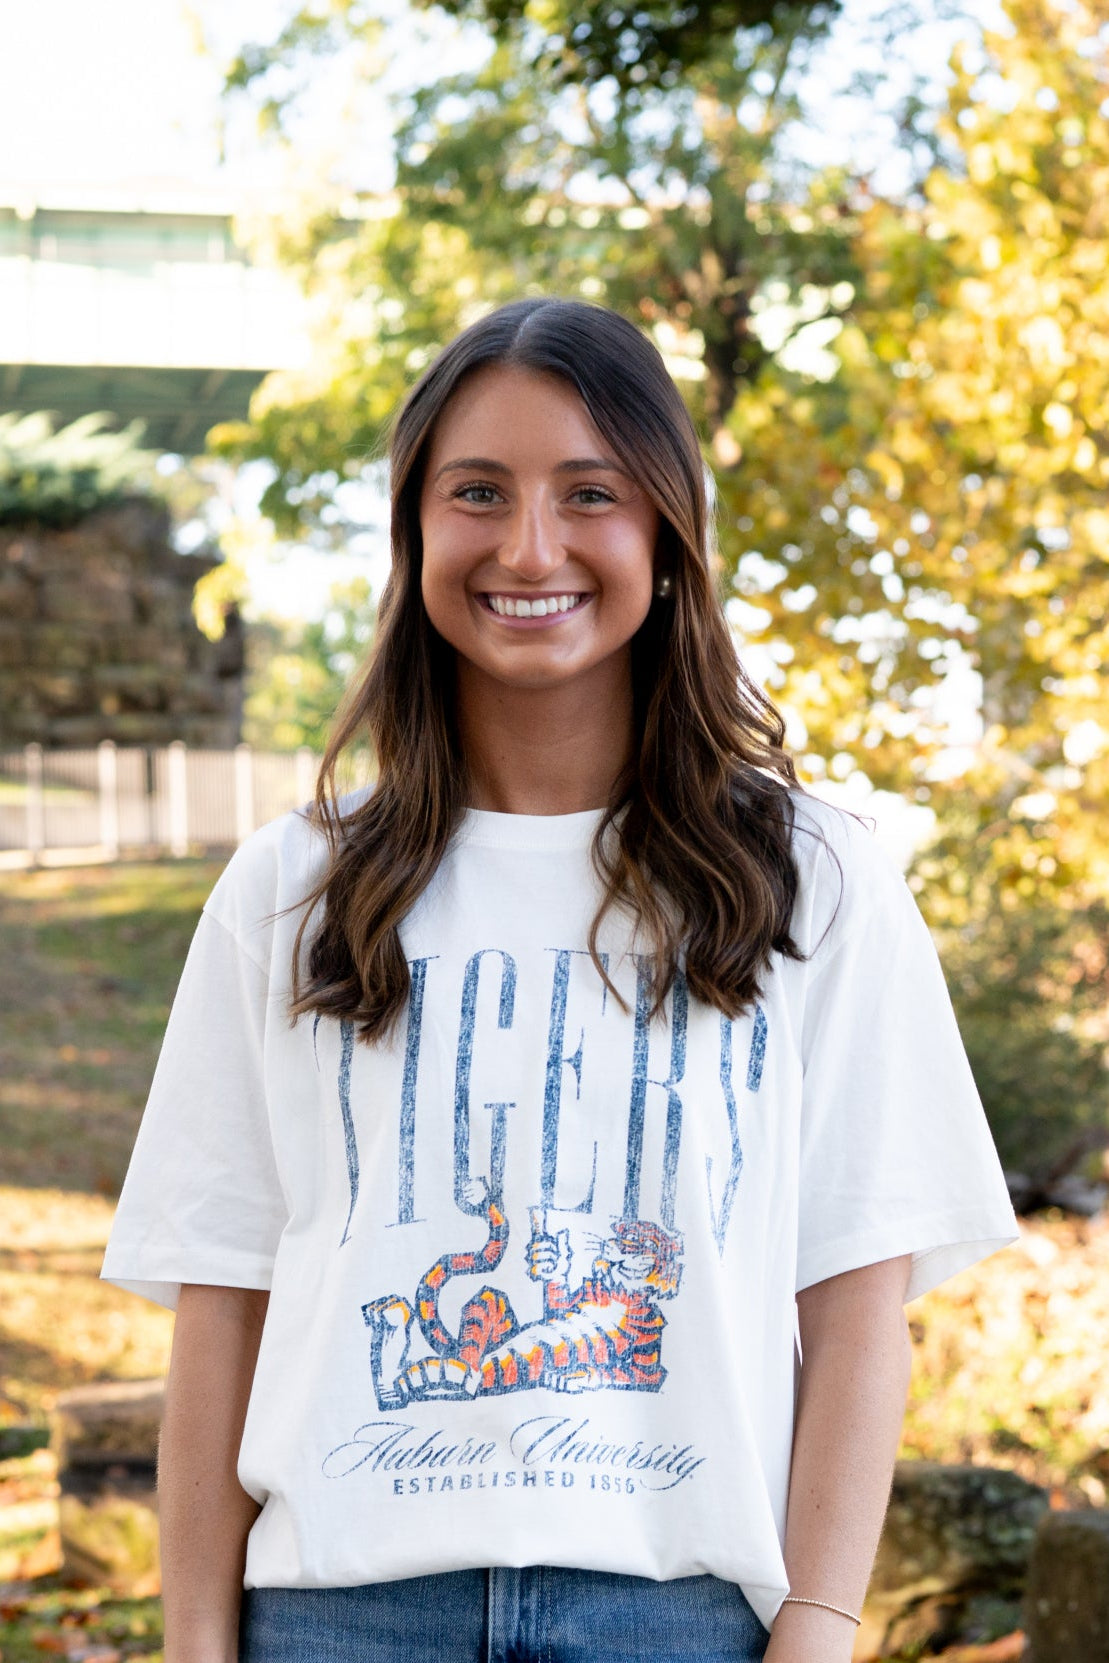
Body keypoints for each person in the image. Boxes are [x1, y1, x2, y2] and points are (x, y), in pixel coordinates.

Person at [103, 297, 1018, 1663]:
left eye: (589, 493)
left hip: (681, 1621)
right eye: (477, 492)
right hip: (339, 1620)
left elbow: (855, 1303)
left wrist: (820, 1627)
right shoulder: (291, 890)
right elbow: (223, 1305)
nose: (529, 548)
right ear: (415, 528)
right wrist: (193, 1643)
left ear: (665, 529)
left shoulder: (814, 879)